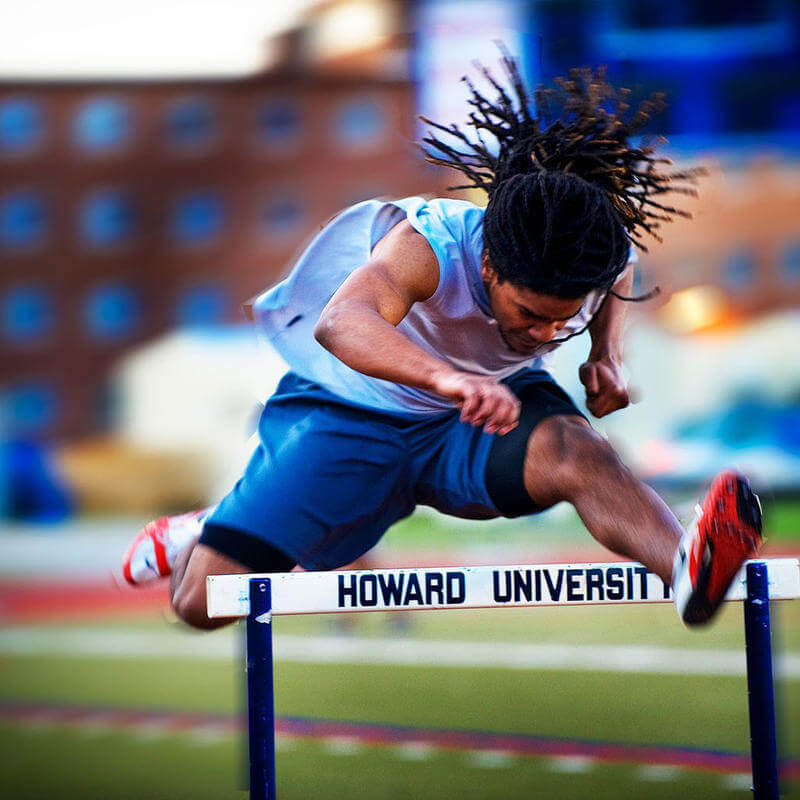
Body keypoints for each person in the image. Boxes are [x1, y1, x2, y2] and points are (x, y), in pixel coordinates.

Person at [121, 57, 762, 629]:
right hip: (350, 416)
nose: (544, 334)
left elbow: (621, 269)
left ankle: (685, 568)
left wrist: (603, 353)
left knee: (579, 451)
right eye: (529, 314)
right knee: (203, 604)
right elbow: (342, 321)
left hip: (479, 422)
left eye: (561, 320)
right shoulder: (431, 247)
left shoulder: (595, 254)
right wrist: (446, 379)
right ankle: (207, 526)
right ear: (490, 268)